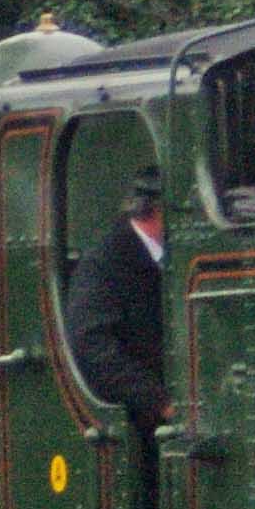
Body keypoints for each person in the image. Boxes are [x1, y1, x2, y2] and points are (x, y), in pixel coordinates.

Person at [60, 171, 170, 422]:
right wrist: (158, 401)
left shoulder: (169, 256)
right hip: (140, 416)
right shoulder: (104, 263)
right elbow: (92, 345)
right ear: (158, 210)